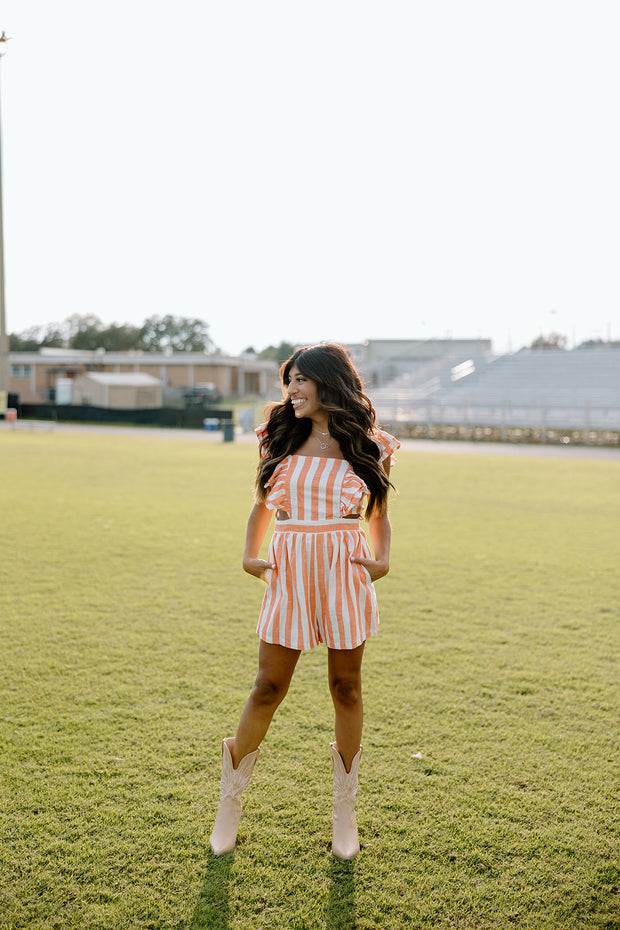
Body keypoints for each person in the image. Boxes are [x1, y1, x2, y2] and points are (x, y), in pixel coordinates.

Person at [209, 343, 399, 859]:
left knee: (347, 688)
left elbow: (377, 513)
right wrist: (251, 555)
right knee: (268, 686)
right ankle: (230, 803)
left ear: (326, 381)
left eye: (299, 381)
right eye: (286, 382)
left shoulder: (369, 444)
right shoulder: (279, 436)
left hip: (343, 566)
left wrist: (381, 558)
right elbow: (261, 507)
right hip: (290, 566)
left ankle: (344, 812)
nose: (290, 392)